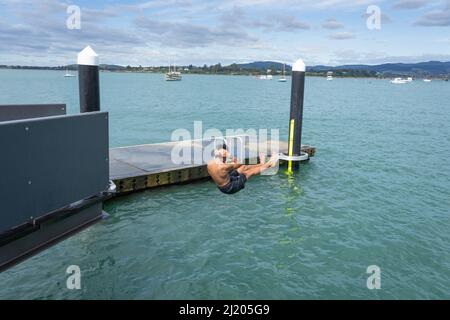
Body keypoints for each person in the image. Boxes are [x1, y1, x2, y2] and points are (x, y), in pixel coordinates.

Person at [207, 149, 278, 194]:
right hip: (230, 187)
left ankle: (261, 164)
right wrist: (229, 155)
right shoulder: (223, 167)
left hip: (227, 179)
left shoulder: (210, 164)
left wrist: (221, 154)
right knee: (248, 173)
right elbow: (239, 162)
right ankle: (270, 164)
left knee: (243, 167)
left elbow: (239, 166)